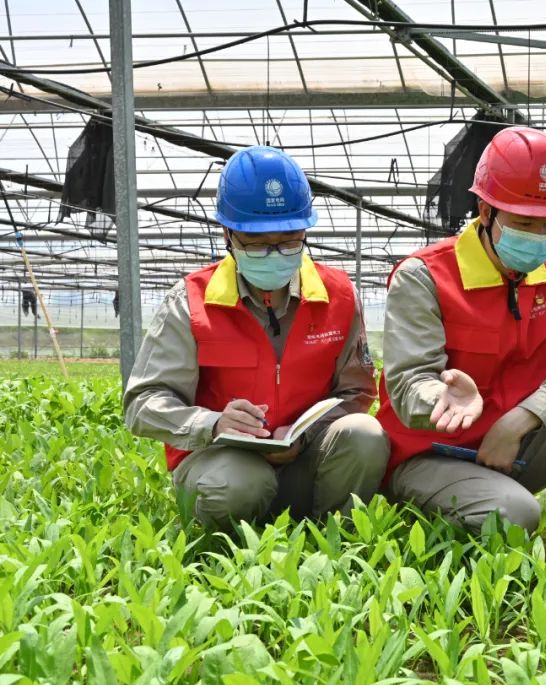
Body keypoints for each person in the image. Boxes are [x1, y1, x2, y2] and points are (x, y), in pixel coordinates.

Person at [377, 126, 546, 539]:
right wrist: (444, 400)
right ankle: (431, 517)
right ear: (485, 212)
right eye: (524, 223)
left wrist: (518, 421)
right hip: (434, 455)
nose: (540, 238)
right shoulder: (424, 276)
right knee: (515, 515)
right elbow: (409, 385)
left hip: (512, 447)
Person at [124, 145, 388, 530]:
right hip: (223, 461)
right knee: (238, 485)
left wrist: (304, 432)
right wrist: (213, 423)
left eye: (290, 241)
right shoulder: (192, 301)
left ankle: (334, 539)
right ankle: (236, 544)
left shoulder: (338, 295)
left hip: (304, 460)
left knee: (366, 434)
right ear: (227, 234)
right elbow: (142, 404)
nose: (275, 253)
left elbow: (357, 393)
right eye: (258, 242)